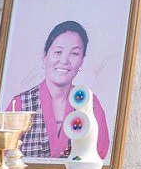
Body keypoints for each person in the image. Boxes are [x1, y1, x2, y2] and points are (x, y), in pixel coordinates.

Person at [8, 20, 110, 160]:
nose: (64, 60)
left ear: (82, 61)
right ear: (45, 56)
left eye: (74, 53)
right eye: (58, 52)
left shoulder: (90, 104)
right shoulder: (20, 104)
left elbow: (99, 154)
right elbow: (4, 155)